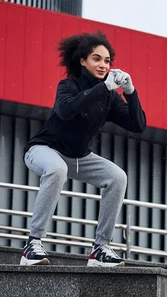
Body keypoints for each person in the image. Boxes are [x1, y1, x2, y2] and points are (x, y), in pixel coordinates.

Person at [20, 31, 146, 267]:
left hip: (78, 157)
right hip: (43, 149)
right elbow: (67, 110)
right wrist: (103, 88)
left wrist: (130, 92)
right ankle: (32, 244)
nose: (103, 65)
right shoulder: (68, 85)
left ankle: (100, 249)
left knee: (117, 177)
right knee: (57, 170)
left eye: (107, 61)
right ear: (82, 60)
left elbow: (137, 125)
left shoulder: (109, 96)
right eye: (97, 59)